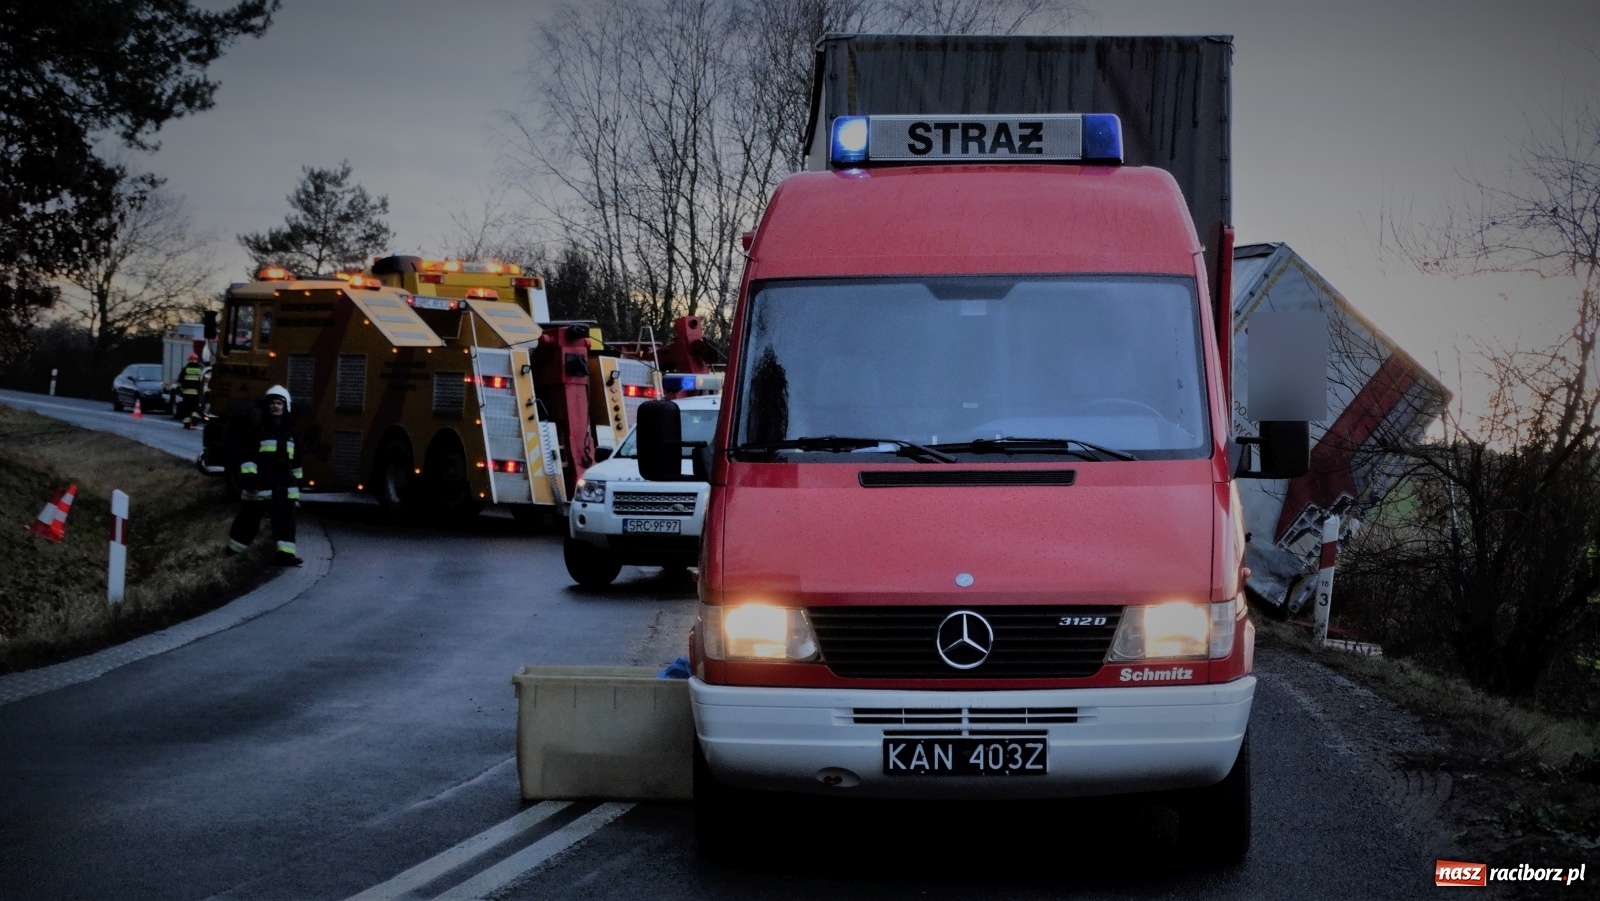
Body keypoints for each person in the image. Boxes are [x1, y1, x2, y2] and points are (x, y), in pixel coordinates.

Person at [226, 385, 303, 566]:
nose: (275, 406)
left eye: (279, 403)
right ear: (266, 406)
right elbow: (247, 457)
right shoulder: (258, 430)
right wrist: (250, 479)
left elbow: (297, 462)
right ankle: (232, 552)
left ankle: (285, 555)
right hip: (259, 487)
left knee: (286, 524)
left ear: (285, 407)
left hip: (283, 488)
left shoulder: (291, 433)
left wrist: (298, 484)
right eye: (272, 403)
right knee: (247, 522)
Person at [177, 353, 205, 429]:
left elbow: (180, 382)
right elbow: (203, 382)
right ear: (196, 360)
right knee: (195, 408)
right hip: (196, 394)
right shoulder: (201, 370)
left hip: (186, 394)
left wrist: (179, 390)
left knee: (187, 409)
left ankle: (187, 423)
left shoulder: (185, 369)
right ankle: (194, 418)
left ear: (189, 360)